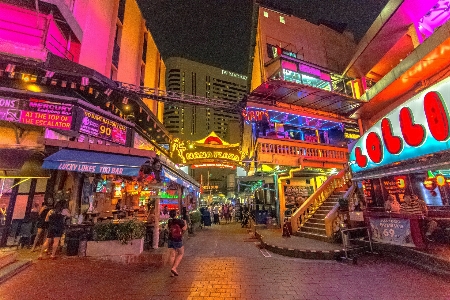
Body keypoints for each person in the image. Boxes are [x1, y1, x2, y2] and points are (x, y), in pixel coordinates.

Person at [167, 209, 187, 276]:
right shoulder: (179, 221)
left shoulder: (169, 221)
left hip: (170, 239)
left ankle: (171, 272)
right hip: (178, 239)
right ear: (176, 214)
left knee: (172, 255)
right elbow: (184, 228)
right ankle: (174, 268)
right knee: (181, 253)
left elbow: (168, 229)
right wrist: (185, 222)